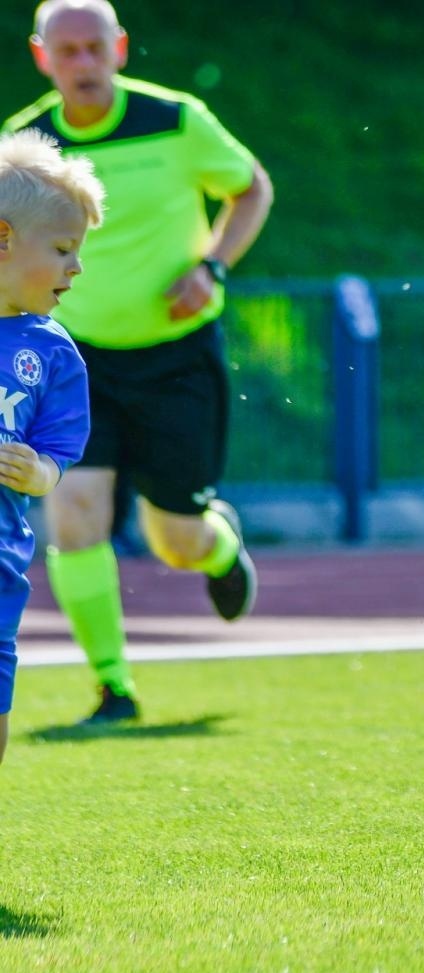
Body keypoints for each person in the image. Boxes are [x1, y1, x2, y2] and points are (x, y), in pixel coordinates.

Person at [5, 0, 274, 725]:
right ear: (42, 57)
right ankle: (113, 687)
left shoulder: (178, 120)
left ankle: (217, 549)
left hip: (177, 358)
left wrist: (212, 268)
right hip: (73, 359)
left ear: (120, 47)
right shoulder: (21, 146)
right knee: (75, 512)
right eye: (68, 52)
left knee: (175, 537)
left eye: (96, 48)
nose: (83, 64)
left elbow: (252, 188)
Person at [0, 128, 103, 765]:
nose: (77, 267)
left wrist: (38, 473)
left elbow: (57, 452)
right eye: (63, 249)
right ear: (3, 238)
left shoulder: (53, 352)